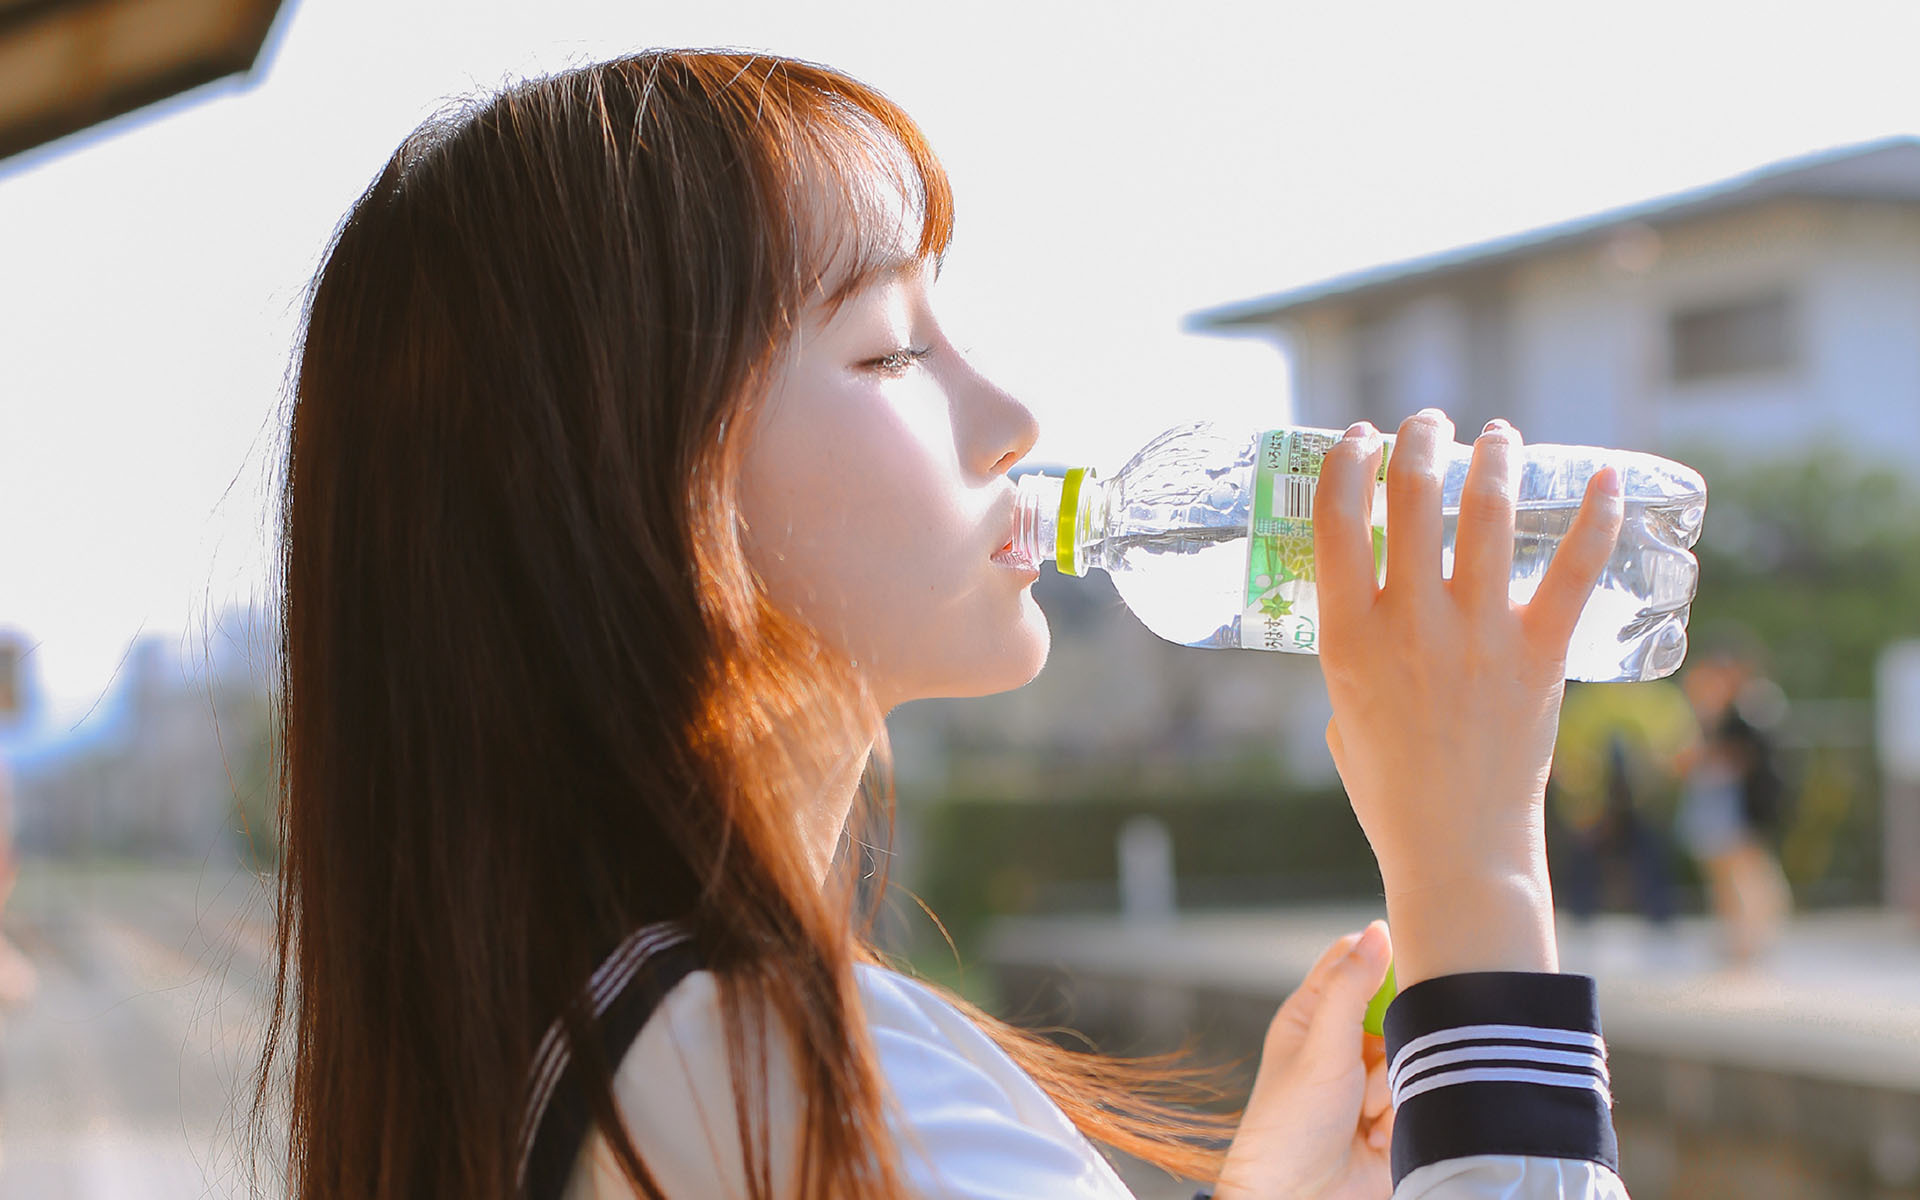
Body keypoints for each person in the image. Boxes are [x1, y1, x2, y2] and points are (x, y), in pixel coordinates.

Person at [255, 50, 1630, 1200]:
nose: (1013, 420)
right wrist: (1475, 878)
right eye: (891, 349)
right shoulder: (776, 1077)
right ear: (635, 489)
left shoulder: (622, 1040)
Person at [1677, 644, 1792, 964]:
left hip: (1742, 806)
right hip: (1742, 806)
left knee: (1743, 874)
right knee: (1740, 874)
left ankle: (1748, 940)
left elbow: (1733, 758)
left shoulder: (1747, 710)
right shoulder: (1745, 707)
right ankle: (1743, 938)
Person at [1550, 681, 1698, 925]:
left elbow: (1683, 751)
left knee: (1651, 857)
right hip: (1594, 801)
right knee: (1585, 861)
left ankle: (1660, 918)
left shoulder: (1662, 699)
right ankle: (1582, 918)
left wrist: (1651, 770)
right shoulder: (1586, 700)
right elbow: (1562, 753)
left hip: (1646, 801)